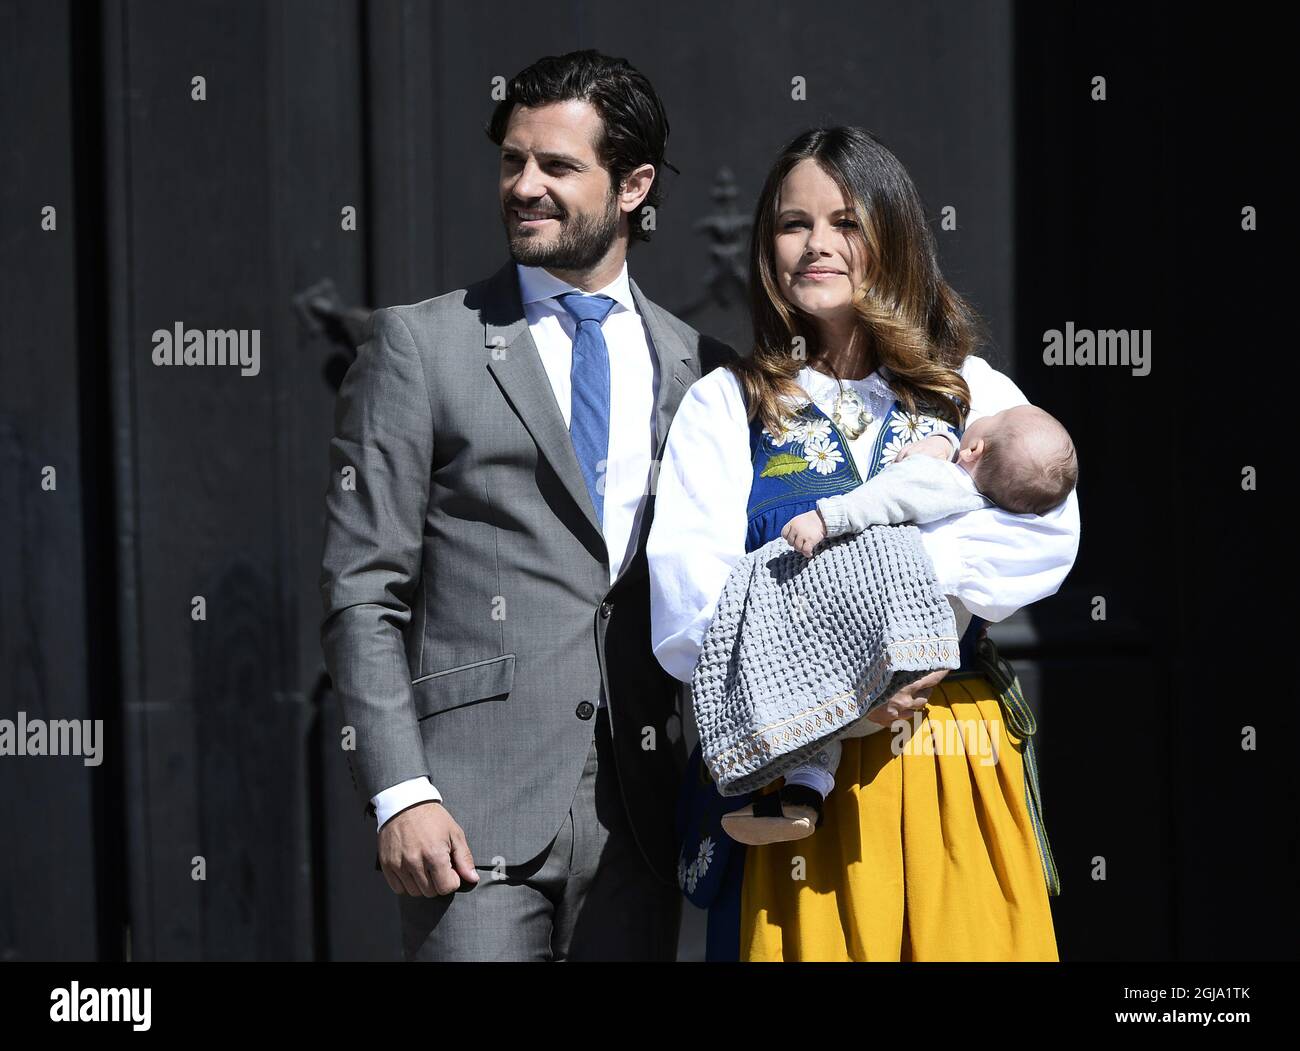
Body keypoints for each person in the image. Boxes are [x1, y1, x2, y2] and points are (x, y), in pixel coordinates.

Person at [319, 50, 735, 961]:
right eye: (513, 161)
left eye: (556, 166)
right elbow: (363, 590)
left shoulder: (701, 368)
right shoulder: (423, 346)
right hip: (468, 819)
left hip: (642, 815)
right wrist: (401, 790)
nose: (524, 186)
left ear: (634, 185)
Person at [647, 126, 1081, 961]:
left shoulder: (967, 388)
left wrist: (889, 583)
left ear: (892, 235)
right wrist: (845, 679)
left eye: (846, 221)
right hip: (794, 766)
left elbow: (1045, 536)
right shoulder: (724, 405)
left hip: (949, 757)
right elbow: (686, 617)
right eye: (792, 223)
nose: (818, 245)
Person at [719, 404, 1079, 845]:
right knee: (832, 718)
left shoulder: (942, 480)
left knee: (810, 701)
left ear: (974, 448)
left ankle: (786, 779)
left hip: (859, 638)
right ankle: (804, 796)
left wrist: (824, 519)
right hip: (904, 687)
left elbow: (884, 497)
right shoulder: (1001, 530)